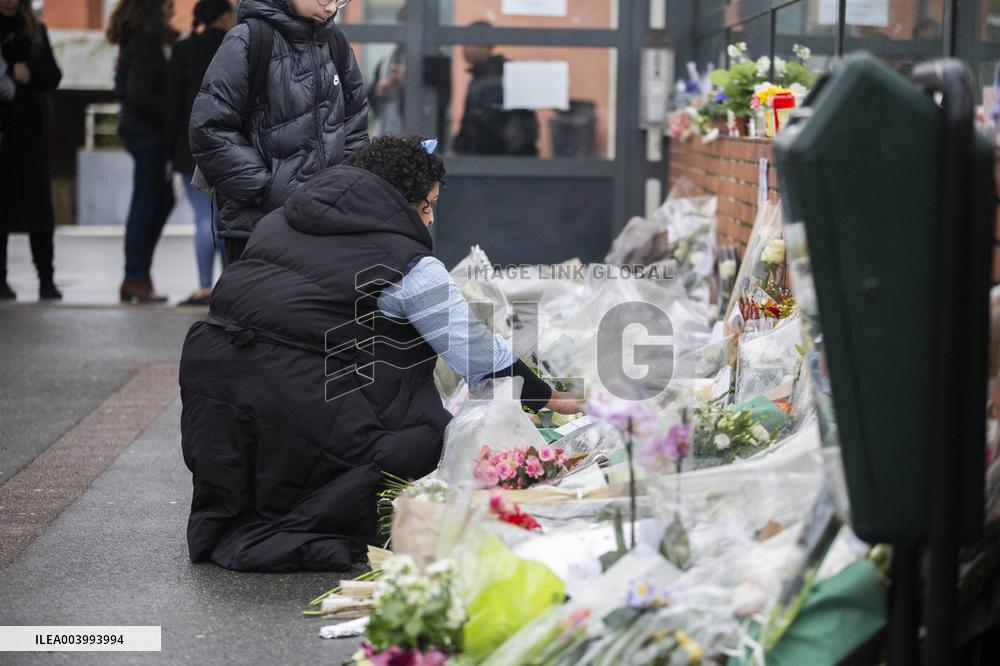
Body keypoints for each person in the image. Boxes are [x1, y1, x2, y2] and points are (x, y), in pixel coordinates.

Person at [178, 135, 579, 572]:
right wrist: (549, 398)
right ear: (397, 201)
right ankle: (318, 509)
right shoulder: (408, 264)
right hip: (292, 404)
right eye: (426, 204)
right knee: (427, 429)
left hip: (213, 401)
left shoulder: (278, 222)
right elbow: (478, 356)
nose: (429, 220)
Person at [189, 0, 370, 265]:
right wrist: (267, 190)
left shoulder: (335, 43)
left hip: (327, 226)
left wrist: (344, 191)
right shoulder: (248, 40)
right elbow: (209, 128)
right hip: (260, 228)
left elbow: (354, 125)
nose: (331, 7)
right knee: (262, 306)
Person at [107, 0, 178, 304]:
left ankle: (138, 275)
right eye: (169, 6)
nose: (172, 12)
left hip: (141, 131)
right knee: (147, 203)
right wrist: (171, 116)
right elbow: (140, 94)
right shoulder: (146, 41)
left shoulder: (134, 39)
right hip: (147, 133)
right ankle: (135, 276)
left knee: (158, 201)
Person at [164, 0, 234, 306]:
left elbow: (173, 106)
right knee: (223, 219)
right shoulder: (235, 46)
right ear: (223, 16)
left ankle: (204, 286)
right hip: (228, 146)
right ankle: (228, 286)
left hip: (188, 148)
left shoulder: (183, 51)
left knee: (202, 218)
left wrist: (170, 151)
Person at [0, 0, 62, 301]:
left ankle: (46, 279)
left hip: (31, 131)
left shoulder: (36, 30)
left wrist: (28, 76)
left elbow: (53, 75)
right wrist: (11, 73)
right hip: (3, 132)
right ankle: (1, 281)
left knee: (40, 212)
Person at [453, 22, 538, 156]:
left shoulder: (497, 76)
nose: (464, 49)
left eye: (470, 43)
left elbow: (488, 125)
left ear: (486, 46)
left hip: (497, 159)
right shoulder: (482, 75)